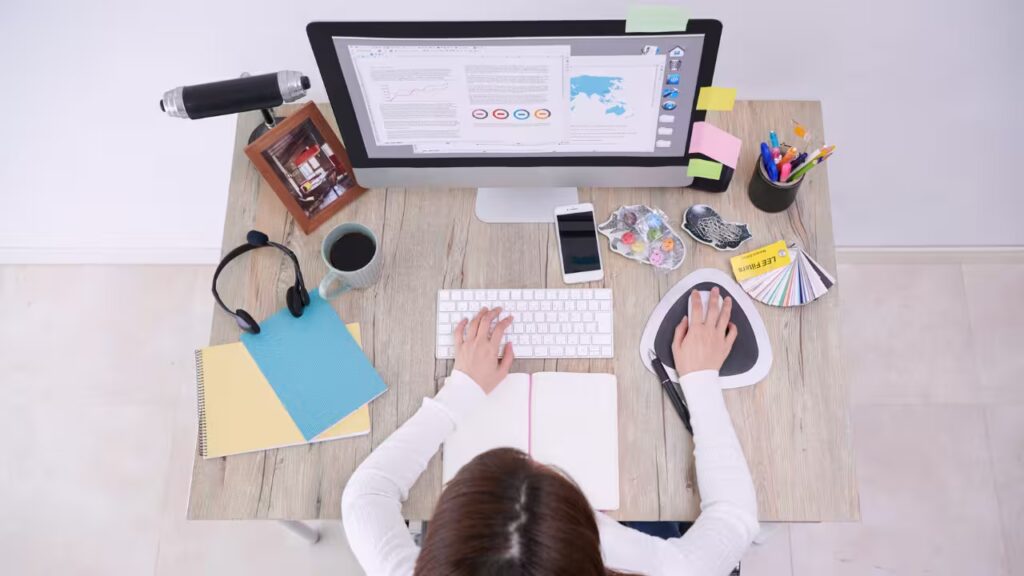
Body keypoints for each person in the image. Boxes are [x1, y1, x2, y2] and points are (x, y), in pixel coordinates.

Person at [342, 287, 759, 575]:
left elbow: (365, 495)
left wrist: (461, 390)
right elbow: (735, 519)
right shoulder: (649, 565)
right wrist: (701, 379)